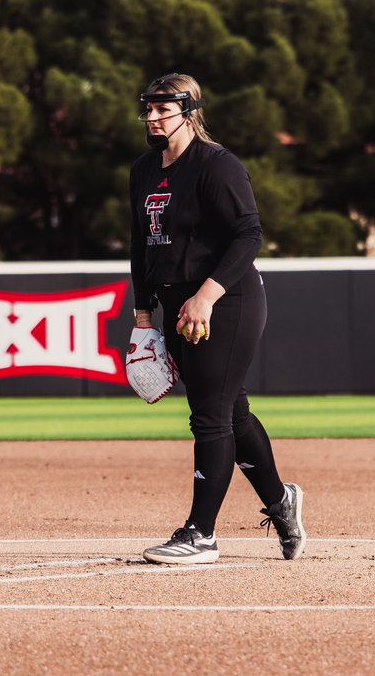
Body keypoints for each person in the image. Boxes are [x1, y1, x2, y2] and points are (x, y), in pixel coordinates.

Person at [128, 73, 306, 564]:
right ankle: (280, 501)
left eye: (163, 109)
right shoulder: (144, 170)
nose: (152, 117)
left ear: (190, 110)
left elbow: (249, 235)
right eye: (148, 108)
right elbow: (139, 244)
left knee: (208, 414)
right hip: (174, 302)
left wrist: (207, 295)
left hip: (226, 299)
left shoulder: (216, 165)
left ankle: (200, 533)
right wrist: (143, 316)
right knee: (231, 412)